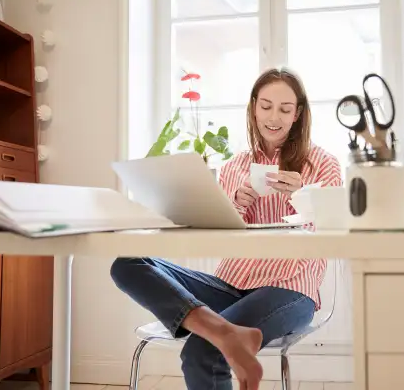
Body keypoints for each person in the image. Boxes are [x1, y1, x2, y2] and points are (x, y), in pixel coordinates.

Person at [110, 67, 342, 390]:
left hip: (291, 288)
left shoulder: (323, 165)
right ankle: (222, 331)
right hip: (232, 284)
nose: (273, 117)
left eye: (285, 109)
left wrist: (305, 195)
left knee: (202, 350)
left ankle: (218, 335)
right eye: (265, 106)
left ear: (298, 114)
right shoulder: (234, 167)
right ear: (253, 107)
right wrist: (236, 203)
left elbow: (332, 228)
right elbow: (220, 233)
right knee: (127, 263)